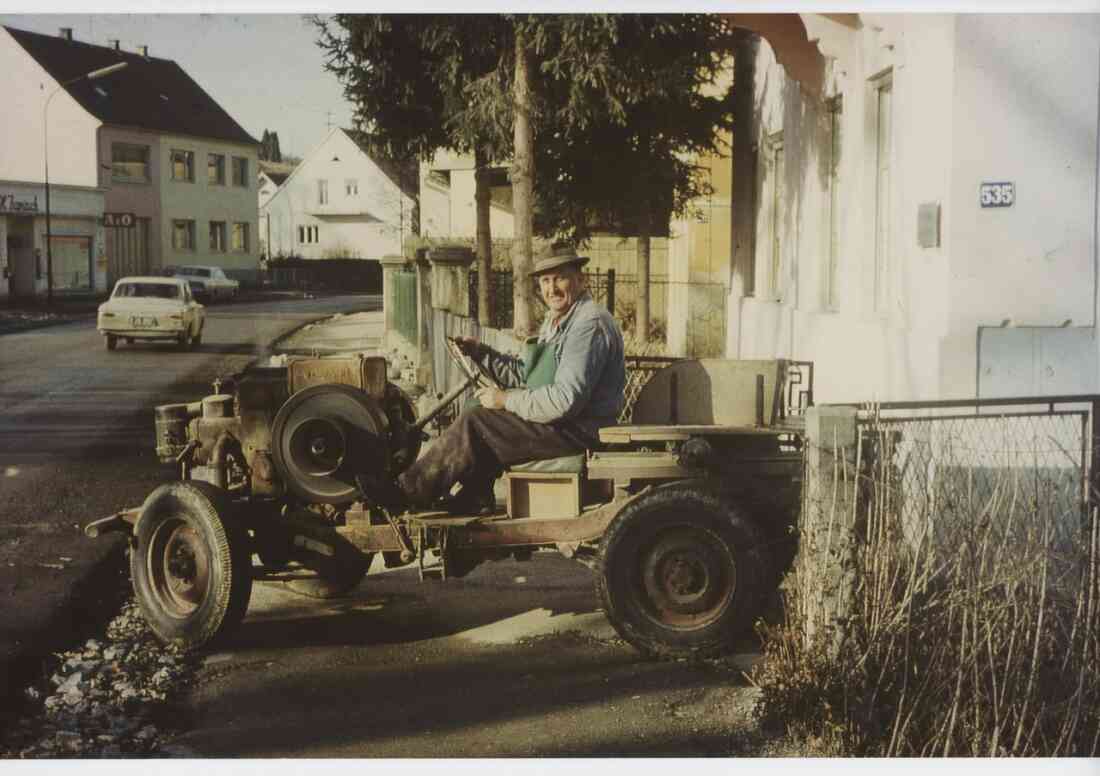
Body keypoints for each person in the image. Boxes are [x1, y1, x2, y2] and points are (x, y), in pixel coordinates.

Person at [360, 244, 626, 514]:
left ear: (581, 279)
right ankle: (476, 495)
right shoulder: (558, 319)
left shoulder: (588, 325)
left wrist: (505, 399)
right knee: (476, 407)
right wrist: (481, 353)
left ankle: (408, 492)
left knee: (478, 421)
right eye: (546, 280)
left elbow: (564, 401)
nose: (552, 289)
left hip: (579, 431)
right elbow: (528, 373)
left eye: (560, 278)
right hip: (563, 424)